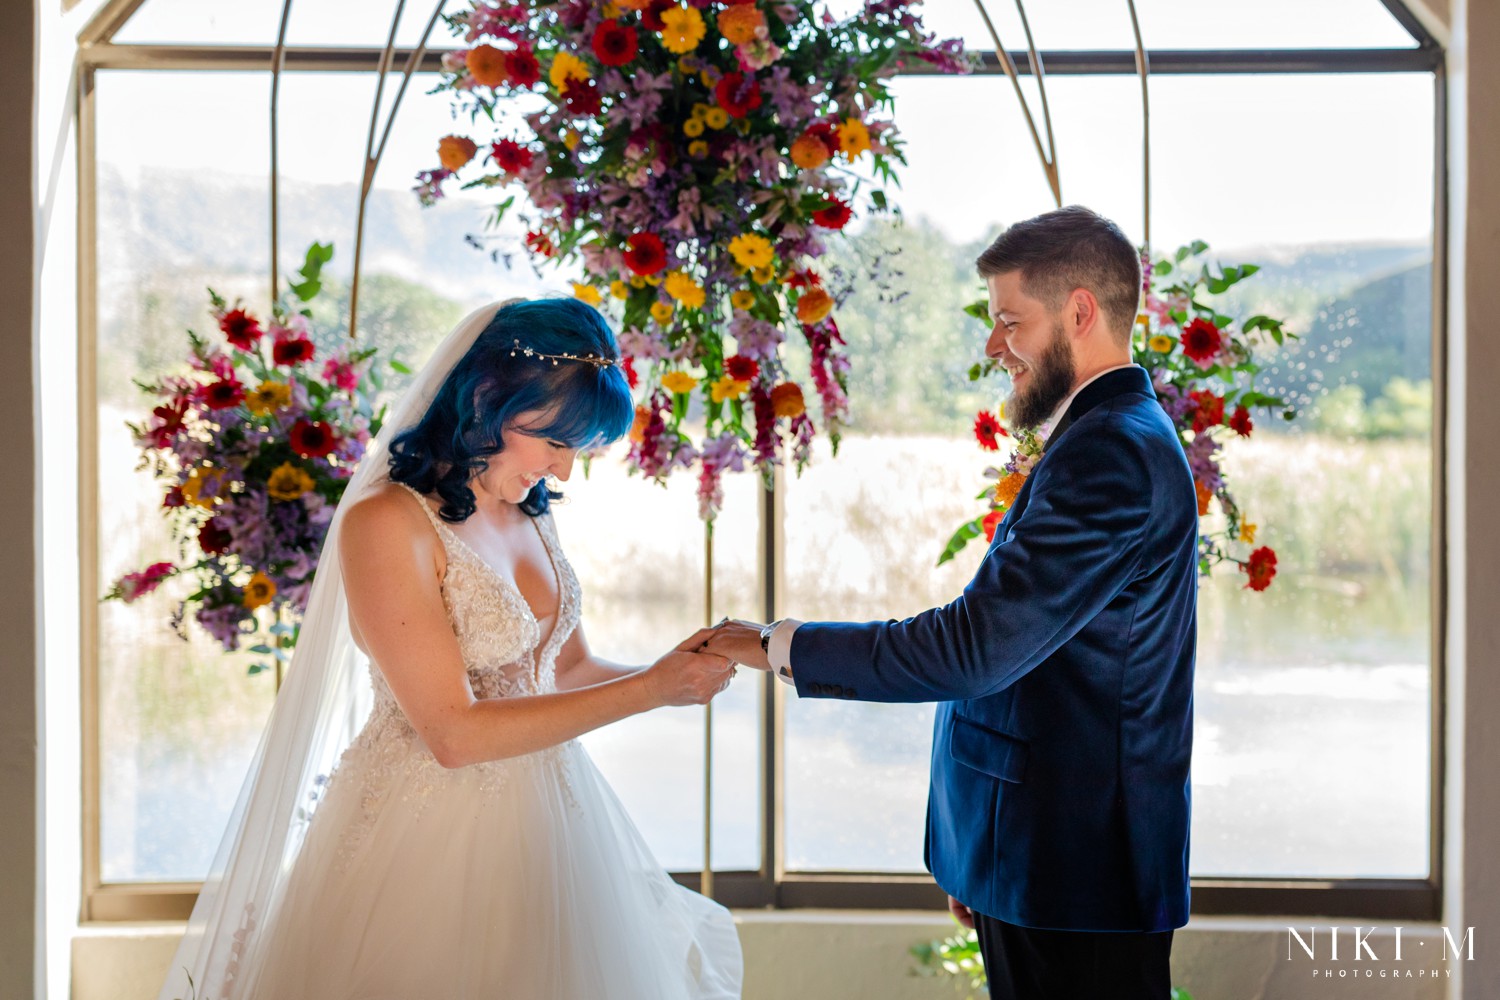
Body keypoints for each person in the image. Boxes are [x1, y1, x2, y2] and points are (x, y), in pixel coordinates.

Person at [158, 298, 743, 1000]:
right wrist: (650, 691)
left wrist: (676, 667)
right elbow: (452, 734)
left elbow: (567, 669)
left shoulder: (527, 507)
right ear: (488, 400)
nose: (562, 473)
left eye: (575, 449)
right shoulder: (386, 524)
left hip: (556, 824)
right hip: (427, 832)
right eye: (554, 443)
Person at [707, 206, 1198, 1000]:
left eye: (1011, 322)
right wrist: (981, 851)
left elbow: (976, 648)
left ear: (1080, 311)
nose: (993, 346)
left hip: (1075, 871)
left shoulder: (1114, 453)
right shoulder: (1103, 435)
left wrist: (773, 643)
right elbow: (1034, 657)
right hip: (1033, 859)